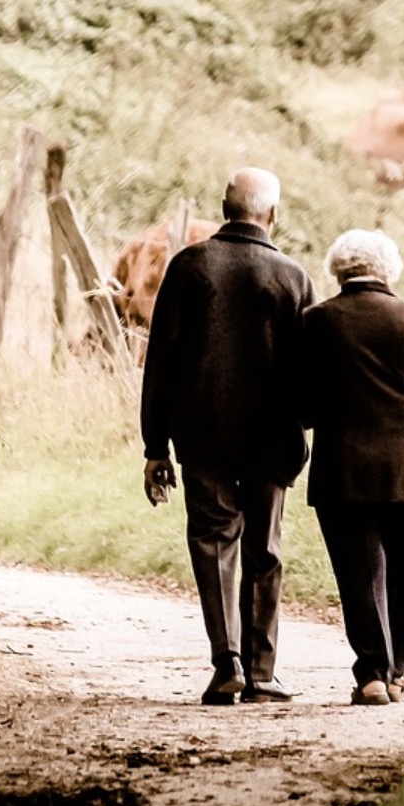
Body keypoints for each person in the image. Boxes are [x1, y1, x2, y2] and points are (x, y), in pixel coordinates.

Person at [140, 167, 315, 706]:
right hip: (272, 438)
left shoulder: (190, 267)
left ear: (223, 207)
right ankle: (263, 673)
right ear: (274, 215)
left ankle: (227, 664)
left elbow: (160, 363)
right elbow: (307, 369)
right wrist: (304, 426)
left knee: (214, 545)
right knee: (264, 548)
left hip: (203, 435)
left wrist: (155, 447)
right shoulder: (292, 277)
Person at [299, 229, 404, 706]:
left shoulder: (316, 322)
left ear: (338, 269)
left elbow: (304, 406)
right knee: (402, 569)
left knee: (359, 572)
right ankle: (396, 672)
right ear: (388, 270)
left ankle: (372, 674)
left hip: (343, 470)